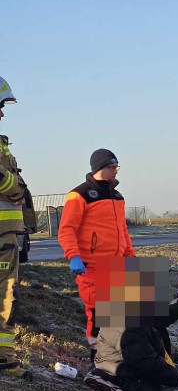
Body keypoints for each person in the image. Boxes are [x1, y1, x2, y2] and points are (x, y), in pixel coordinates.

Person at [58, 148, 135, 362]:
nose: (116, 171)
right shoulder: (79, 195)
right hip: (91, 266)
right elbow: (67, 229)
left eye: (117, 167)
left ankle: (117, 356)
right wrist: (73, 255)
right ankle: (96, 358)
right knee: (97, 312)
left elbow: (122, 231)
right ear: (100, 167)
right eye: (112, 167)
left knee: (119, 314)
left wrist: (130, 256)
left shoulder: (117, 196)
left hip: (117, 265)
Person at [0, 75, 35, 377]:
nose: (1, 114)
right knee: (5, 293)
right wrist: (16, 189)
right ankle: (3, 358)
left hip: (8, 234)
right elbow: (5, 181)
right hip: (1, 237)